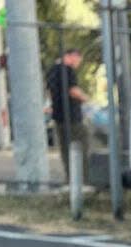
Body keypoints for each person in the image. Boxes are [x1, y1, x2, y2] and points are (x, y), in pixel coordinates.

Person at [46, 48, 89, 184]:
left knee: (65, 149)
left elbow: (50, 92)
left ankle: (70, 177)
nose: (78, 63)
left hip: (59, 116)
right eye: (78, 60)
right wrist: (86, 98)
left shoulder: (52, 70)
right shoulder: (68, 70)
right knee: (82, 145)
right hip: (72, 116)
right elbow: (73, 90)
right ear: (72, 56)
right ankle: (82, 178)